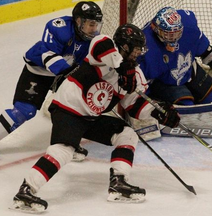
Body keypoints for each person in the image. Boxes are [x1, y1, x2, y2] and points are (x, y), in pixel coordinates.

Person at [11, 23, 180, 212]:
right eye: (137, 48)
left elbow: (134, 106)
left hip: (91, 117)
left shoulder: (135, 74)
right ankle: (26, 190)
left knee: (127, 134)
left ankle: (119, 182)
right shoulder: (104, 45)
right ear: (124, 46)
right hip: (68, 108)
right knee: (63, 151)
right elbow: (102, 49)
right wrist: (122, 66)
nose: (139, 52)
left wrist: (158, 113)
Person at [0, 1, 103, 160]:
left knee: (72, 108)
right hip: (39, 71)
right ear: (78, 21)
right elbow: (47, 55)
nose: (94, 29)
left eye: (96, 24)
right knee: (23, 111)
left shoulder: (93, 40)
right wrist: (70, 73)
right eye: (90, 24)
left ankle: (67, 143)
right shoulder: (59, 27)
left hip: (64, 73)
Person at [138, 7, 212, 116]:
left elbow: (202, 49)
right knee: (187, 110)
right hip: (165, 82)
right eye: (169, 34)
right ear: (156, 29)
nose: (174, 38)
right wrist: (152, 106)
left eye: (177, 33)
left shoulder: (188, 25)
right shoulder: (146, 48)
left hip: (189, 69)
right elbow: (141, 85)